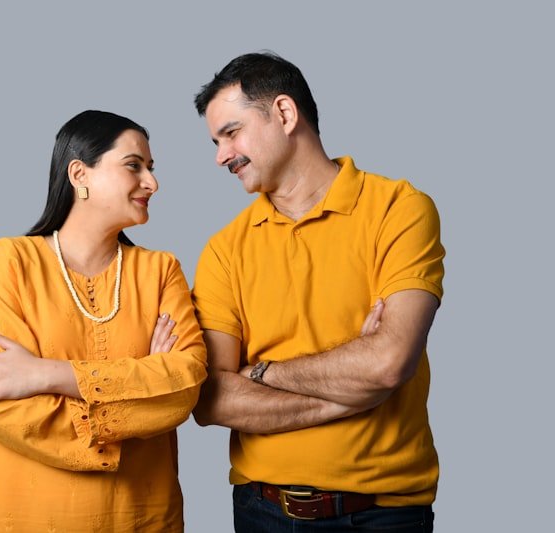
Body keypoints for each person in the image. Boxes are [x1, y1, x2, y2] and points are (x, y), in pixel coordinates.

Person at [191, 52, 445, 532]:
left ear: (285, 114)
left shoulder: (400, 210)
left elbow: (389, 362)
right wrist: (349, 395)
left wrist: (262, 373)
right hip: (260, 512)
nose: (221, 156)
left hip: (384, 515)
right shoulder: (224, 249)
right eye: (216, 141)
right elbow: (211, 398)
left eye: (231, 133)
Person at [0, 110, 207, 532]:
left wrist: (46, 374)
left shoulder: (161, 270)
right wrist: (144, 386)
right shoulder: (10, 261)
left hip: (143, 516)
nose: (152, 182)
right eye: (134, 166)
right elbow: (0, 404)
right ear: (80, 174)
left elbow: (185, 383)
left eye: (151, 168)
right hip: (30, 517)